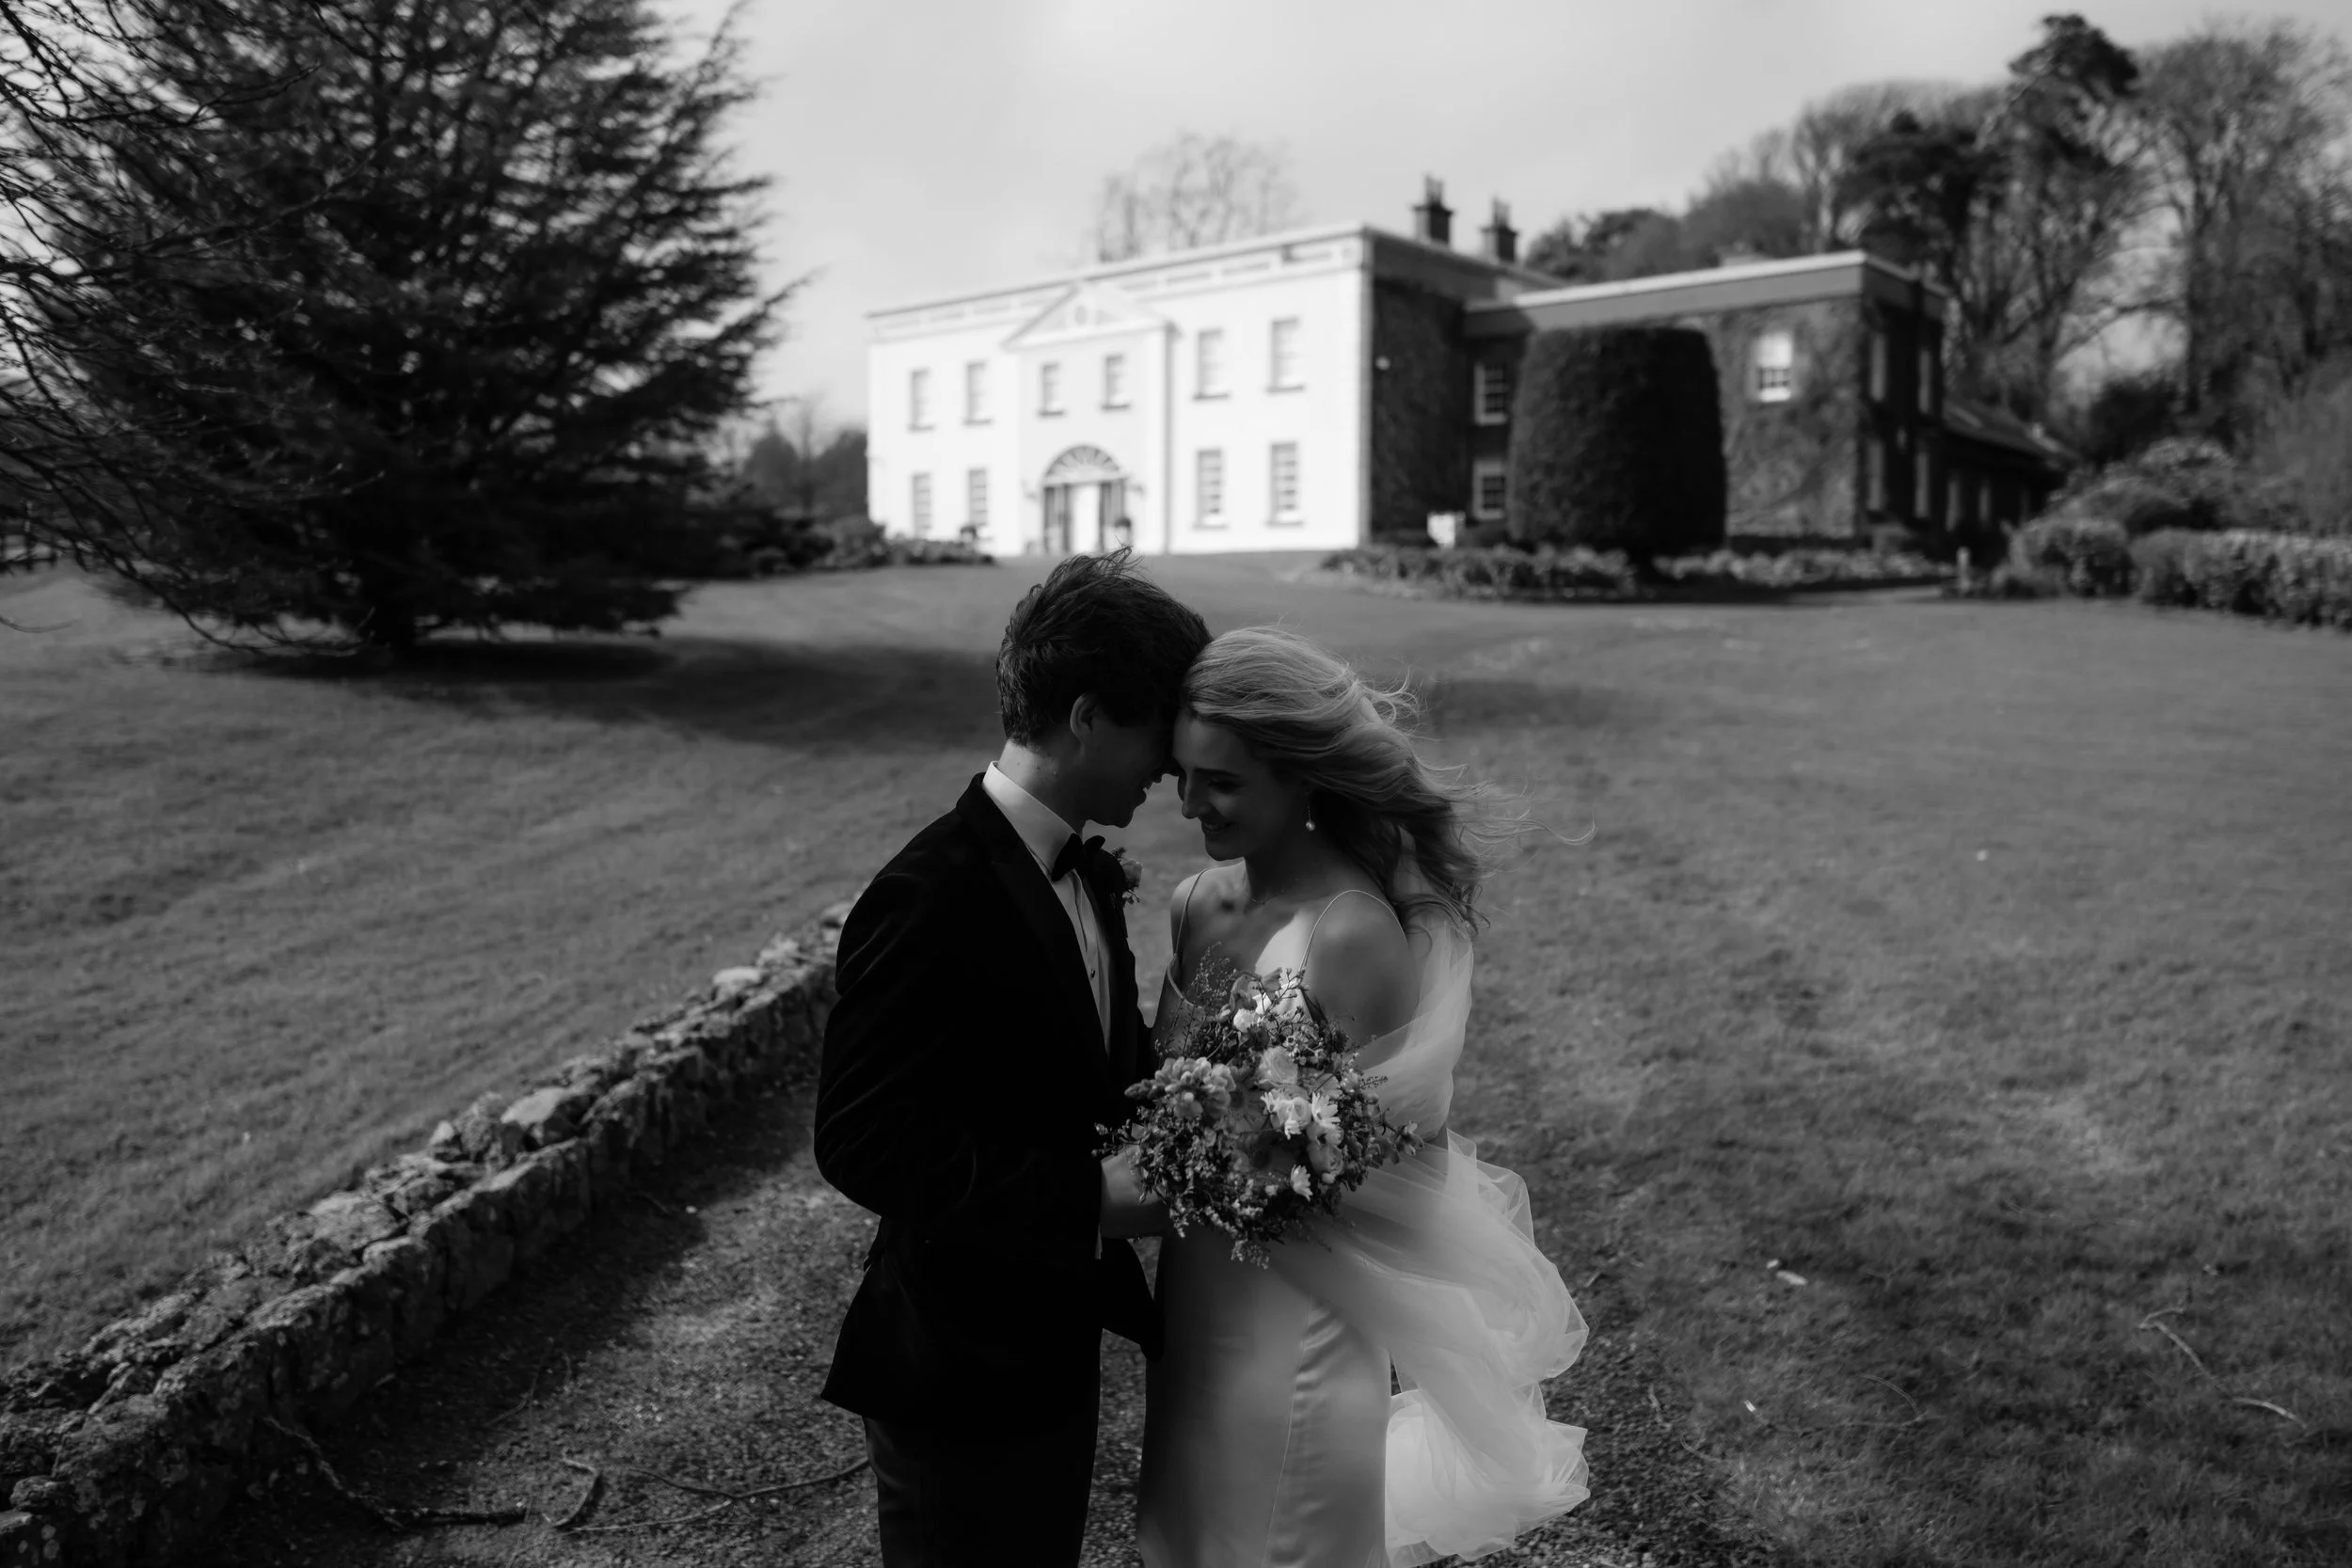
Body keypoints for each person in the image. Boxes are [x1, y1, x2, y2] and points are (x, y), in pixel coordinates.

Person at [1138, 626, 1591, 1567]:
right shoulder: (1195, 905)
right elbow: (1158, 1094)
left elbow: (1398, 1169)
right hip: (1192, 1302)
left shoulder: (1350, 934)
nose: (1190, 805)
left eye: (1220, 782)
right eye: (1182, 775)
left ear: (1303, 776)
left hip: (1297, 1315)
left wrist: (1106, 1193)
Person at [814, 549, 1209, 1568]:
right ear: (1086, 716)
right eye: (1155, 727)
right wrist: (1085, 1198)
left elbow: (1074, 1078)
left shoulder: (1084, 873)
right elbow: (860, 1138)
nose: (1169, 763)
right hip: (953, 1364)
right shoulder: (928, 890)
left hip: (1045, 1346)